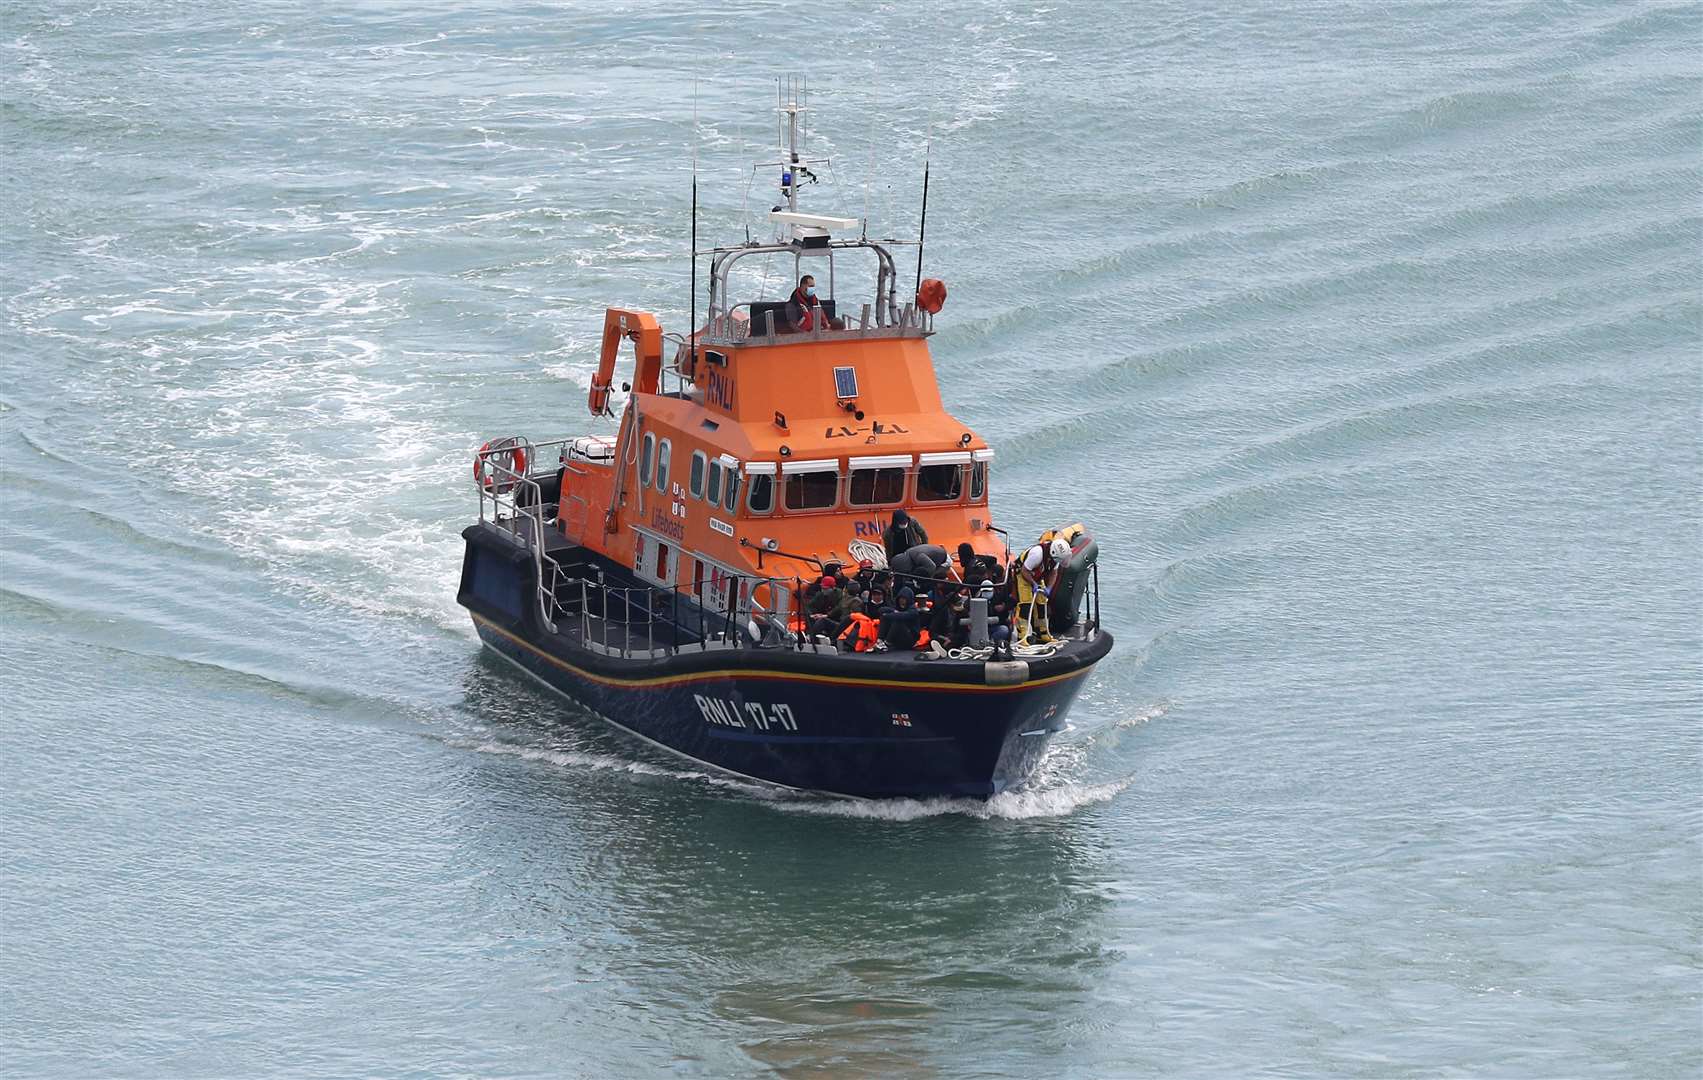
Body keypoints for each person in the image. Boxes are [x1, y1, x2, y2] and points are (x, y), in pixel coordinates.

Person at [1013, 536, 1071, 645]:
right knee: (1025, 605)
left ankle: (1042, 633)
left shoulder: (1056, 559)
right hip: (1023, 575)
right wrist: (1033, 584)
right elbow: (1024, 570)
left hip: (1037, 577)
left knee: (1041, 604)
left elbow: (1054, 573)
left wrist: (1048, 588)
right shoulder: (1037, 554)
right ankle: (1022, 636)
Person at [928, 583, 971, 650]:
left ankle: (942, 649)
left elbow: (962, 632)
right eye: (957, 604)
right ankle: (941, 648)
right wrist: (944, 638)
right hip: (943, 636)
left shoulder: (963, 613)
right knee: (933, 641)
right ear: (951, 604)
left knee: (957, 641)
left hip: (955, 638)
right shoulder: (942, 612)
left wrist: (951, 639)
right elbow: (932, 631)